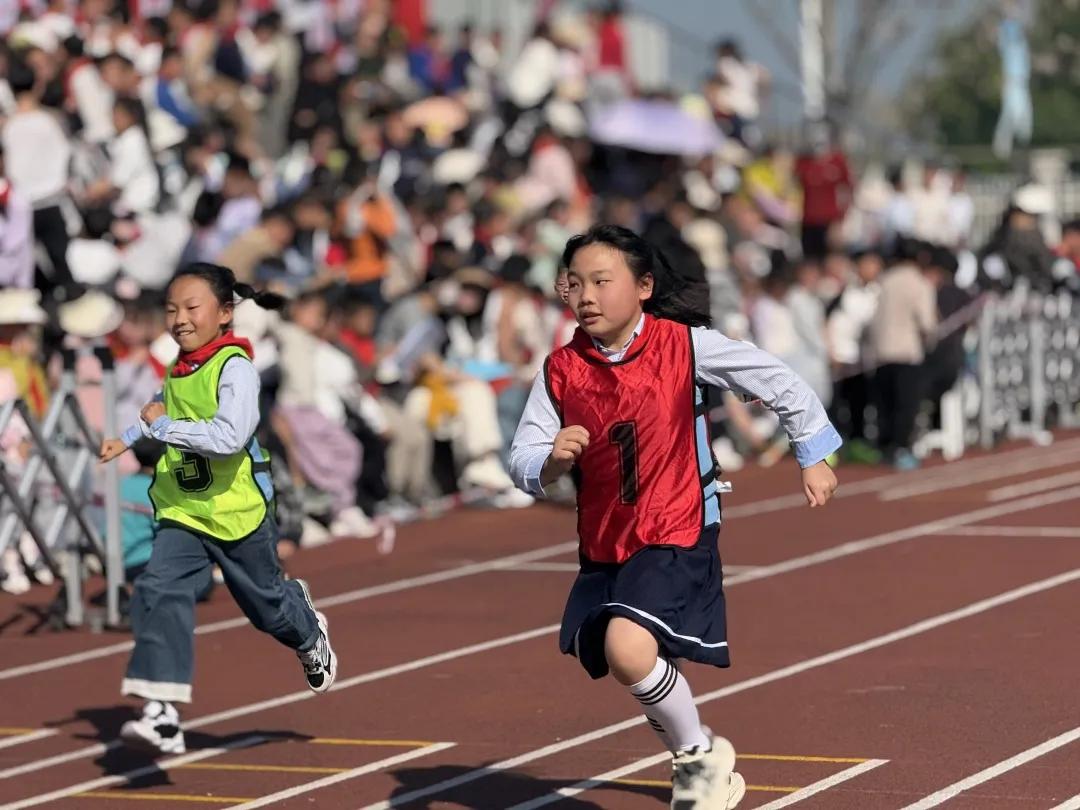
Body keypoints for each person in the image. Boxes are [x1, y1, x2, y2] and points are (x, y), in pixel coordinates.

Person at [509, 225, 840, 809]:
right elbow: (522, 457)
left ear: (643, 287)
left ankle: (698, 761)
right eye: (575, 283)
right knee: (627, 658)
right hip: (606, 532)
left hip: (679, 521)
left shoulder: (686, 344)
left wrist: (811, 453)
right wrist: (552, 462)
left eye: (601, 282)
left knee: (628, 647)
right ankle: (701, 750)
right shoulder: (560, 369)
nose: (586, 296)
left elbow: (777, 379)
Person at [99, 263, 338, 756]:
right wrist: (124, 440)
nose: (180, 319)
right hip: (183, 509)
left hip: (236, 514)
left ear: (225, 313)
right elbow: (161, 408)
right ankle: (161, 711)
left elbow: (229, 438)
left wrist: (163, 428)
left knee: (266, 608)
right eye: (171, 309)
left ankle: (307, 627)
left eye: (192, 308)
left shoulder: (236, 369)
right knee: (157, 586)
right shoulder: (177, 367)